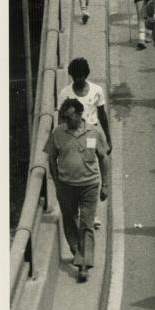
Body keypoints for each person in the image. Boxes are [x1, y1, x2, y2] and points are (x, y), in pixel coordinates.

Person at [45, 97, 110, 283]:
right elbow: (51, 159)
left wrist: (105, 184)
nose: (67, 121)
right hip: (66, 186)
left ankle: (83, 265)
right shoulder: (58, 133)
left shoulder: (94, 132)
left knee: (87, 224)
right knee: (70, 222)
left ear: (80, 114)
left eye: (70, 117)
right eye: (64, 117)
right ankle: (78, 253)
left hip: (89, 184)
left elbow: (104, 158)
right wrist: (57, 183)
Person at [57, 57, 112, 153]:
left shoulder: (97, 90)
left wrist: (108, 138)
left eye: (80, 76)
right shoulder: (64, 94)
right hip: (72, 135)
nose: (78, 79)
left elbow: (102, 116)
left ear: (86, 75)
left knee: (91, 157)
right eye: (75, 77)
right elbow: (61, 120)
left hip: (91, 134)